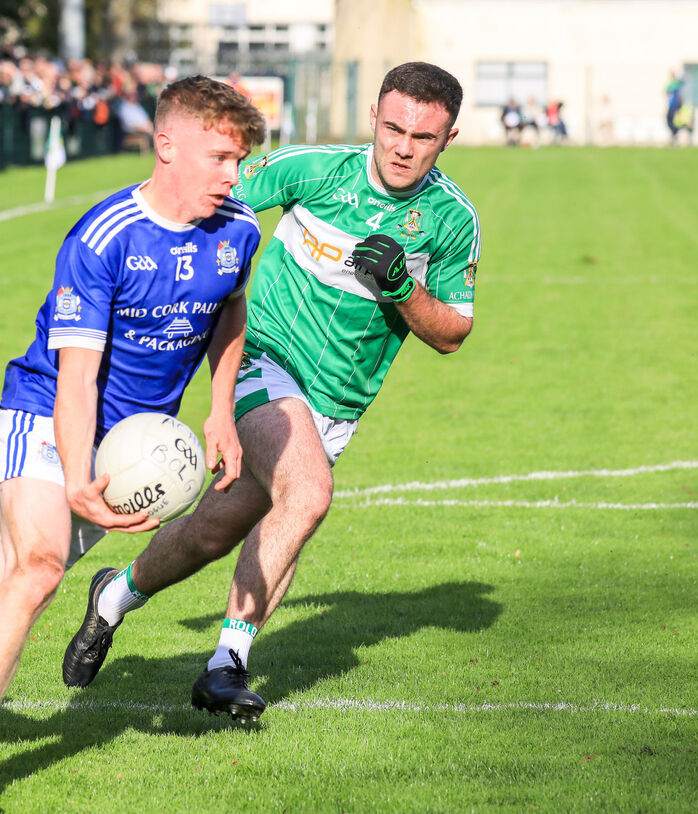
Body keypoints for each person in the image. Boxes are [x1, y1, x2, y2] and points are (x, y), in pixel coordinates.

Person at [0, 75, 266, 811]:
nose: (233, 176)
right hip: (47, 414)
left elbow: (228, 314)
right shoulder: (104, 237)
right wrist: (77, 476)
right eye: (220, 158)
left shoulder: (238, 230)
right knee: (41, 568)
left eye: (239, 160)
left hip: (128, 445)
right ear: (166, 145)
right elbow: (75, 378)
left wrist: (220, 410)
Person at [61, 61, 480, 723]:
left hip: (337, 406)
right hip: (263, 360)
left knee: (211, 533)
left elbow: (453, 332)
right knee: (308, 495)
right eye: (393, 128)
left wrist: (404, 287)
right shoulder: (312, 170)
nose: (403, 147)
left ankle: (112, 598)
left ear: (448, 138)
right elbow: (203, 200)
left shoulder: (452, 220)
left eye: (422, 137)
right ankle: (225, 666)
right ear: (373, 116)